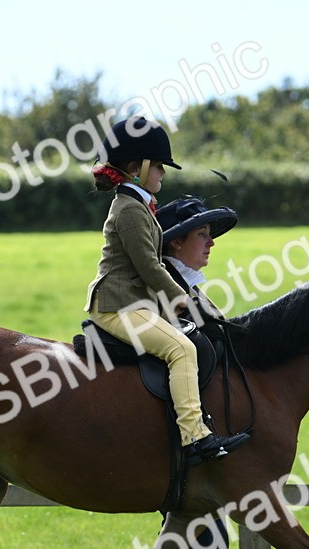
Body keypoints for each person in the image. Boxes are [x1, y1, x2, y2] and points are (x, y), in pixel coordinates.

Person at [80, 195, 240, 549]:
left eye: (211, 234)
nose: (210, 243)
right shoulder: (167, 290)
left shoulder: (190, 286)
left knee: (203, 539)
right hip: (168, 440)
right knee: (203, 537)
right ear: (175, 241)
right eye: (201, 234)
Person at [84, 117, 250, 465]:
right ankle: (193, 437)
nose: (162, 173)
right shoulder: (129, 209)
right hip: (116, 306)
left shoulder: (139, 205)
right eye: (157, 166)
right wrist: (180, 297)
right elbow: (148, 265)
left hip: (131, 303)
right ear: (136, 168)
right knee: (181, 349)